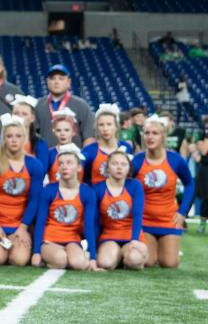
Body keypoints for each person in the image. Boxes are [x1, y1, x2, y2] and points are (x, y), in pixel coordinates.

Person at [0, 116, 44, 267]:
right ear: (3, 139)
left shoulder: (35, 165)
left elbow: (34, 200)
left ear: (24, 139)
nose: (14, 140)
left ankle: (1, 245)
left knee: (19, 260)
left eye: (18, 136)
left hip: (17, 223)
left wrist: (23, 228)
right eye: (9, 136)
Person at [132, 115, 193, 268]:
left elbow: (190, 184)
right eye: (147, 133)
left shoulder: (175, 159)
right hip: (144, 220)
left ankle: (164, 249)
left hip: (168, 219)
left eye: (155, 133)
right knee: (148, 261)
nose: (150, 137)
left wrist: (182, 212)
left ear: (163, 136)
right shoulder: (137, 160)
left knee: (169, 263)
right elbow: (126, 187)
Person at [30, 145, 97, 271]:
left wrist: (93, 257)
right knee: (61, 260)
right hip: (50, 239)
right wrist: (36, 252)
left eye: (69, 163)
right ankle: (53, 256)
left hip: (72, 240)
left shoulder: (88, 193)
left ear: (78, 167)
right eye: (61, 163)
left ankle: (71, 255)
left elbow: (88, 226)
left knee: (80, 264)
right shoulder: (49, 190)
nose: (64, 166)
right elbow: (40, 222)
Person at [92, 149, 147, 270]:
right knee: (105, 263)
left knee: (134, 260)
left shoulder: (135, 185)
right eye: (115, 164)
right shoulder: (98, 189)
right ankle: (119, 256)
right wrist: (92, 251)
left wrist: (134, 240)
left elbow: (138, 216)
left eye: (123, 164)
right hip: (109, 235)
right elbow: (95, 222)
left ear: (129, 168)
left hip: (131, 235)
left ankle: (127, 256)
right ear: (107, 168)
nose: (119, 168)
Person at [35, 64, 95, 148]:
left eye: (61, 78)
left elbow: (89, 136)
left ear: (69, 82)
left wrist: (83, 158)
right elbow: (32, 135)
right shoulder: (38, 105)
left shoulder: (81, 105)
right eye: (52, 78)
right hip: (45, 158)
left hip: (73, 158)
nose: (56, 82)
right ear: (47, 82)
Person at [0, 94, 50, 170]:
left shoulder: (40, 144)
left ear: (32, 118)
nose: (19, 117)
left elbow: (42, 171)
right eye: (16, 113)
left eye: (24, 114)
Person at [82, 104, 133, 184]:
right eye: (101, 125)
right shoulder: (88, 150)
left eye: (109, 124)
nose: (105, 129)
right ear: (96, 127)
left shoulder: (126, 148)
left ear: (116, 126)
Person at [45, 108, 83, 183]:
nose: (62, 134)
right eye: (59, 130)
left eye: (66, 130)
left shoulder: (82, 154)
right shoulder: (49, 154)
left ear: (74, 131)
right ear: (54, 132)